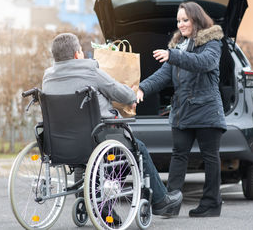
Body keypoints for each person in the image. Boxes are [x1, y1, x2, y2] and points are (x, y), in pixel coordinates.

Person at [42, 32, 182, 223]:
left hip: (60, 144)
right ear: (76, 54)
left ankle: (91, 198)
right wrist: (133, 96)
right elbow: (122, 94)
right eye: (81, 51)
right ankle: (161, 201)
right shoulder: (90, 71)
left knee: (90, 155)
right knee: (137, 148)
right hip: (97, 139)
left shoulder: (48, 78)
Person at [136, 2, 226, 217]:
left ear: (196, 19)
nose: (181, 24)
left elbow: (203, 62)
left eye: (185, 20)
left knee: (210, 157)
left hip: (207, 111)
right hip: (183, 112)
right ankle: (170, 203)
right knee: (179, 156)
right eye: (179, 21)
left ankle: (212, 204)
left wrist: (173, 55)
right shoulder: (178, 47)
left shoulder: (212, 43)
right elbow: (162, 76)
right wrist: (140, 89)